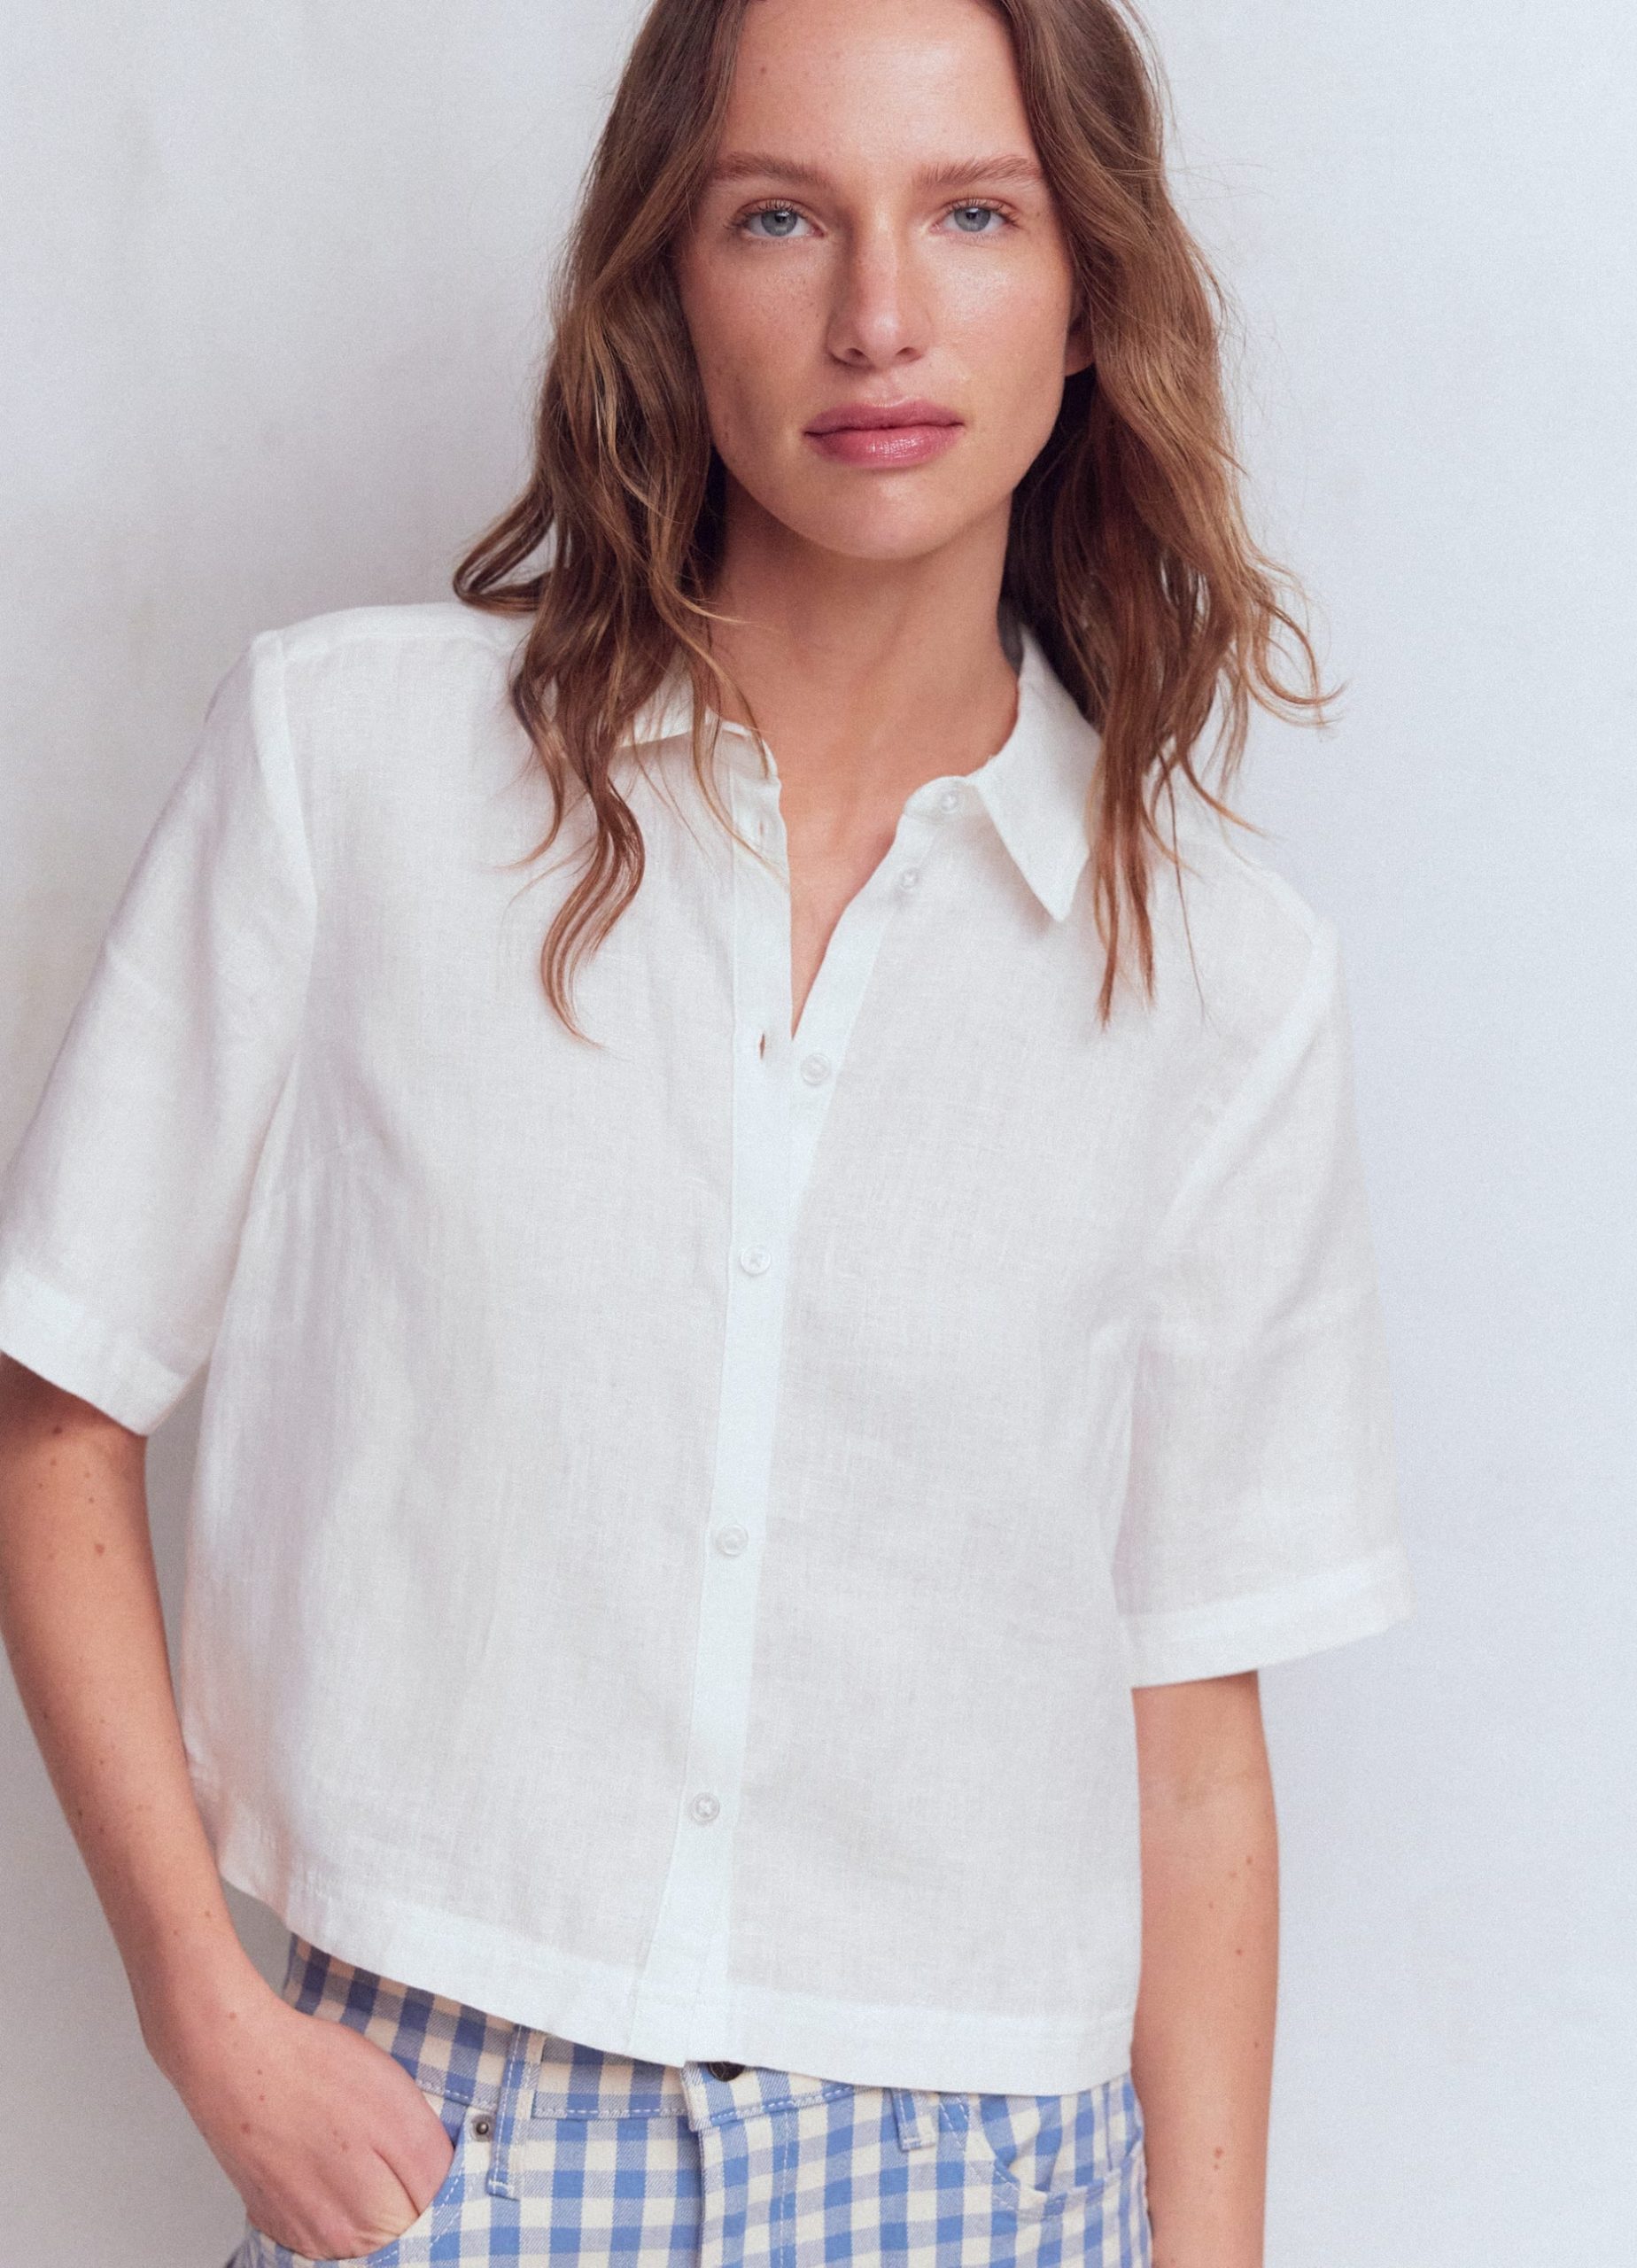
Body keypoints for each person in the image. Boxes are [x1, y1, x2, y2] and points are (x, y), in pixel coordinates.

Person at [0, 0, 1416, 2263]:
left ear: (1089, 296)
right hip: (448, 2143)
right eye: (781, 217)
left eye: (976, 214)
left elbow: (1188, 1726)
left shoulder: (1221, 978)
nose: (880, 315)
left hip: (991, 2187)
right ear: (667, 279)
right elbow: (56, 1403)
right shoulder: (352, 770)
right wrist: (206, 2010)